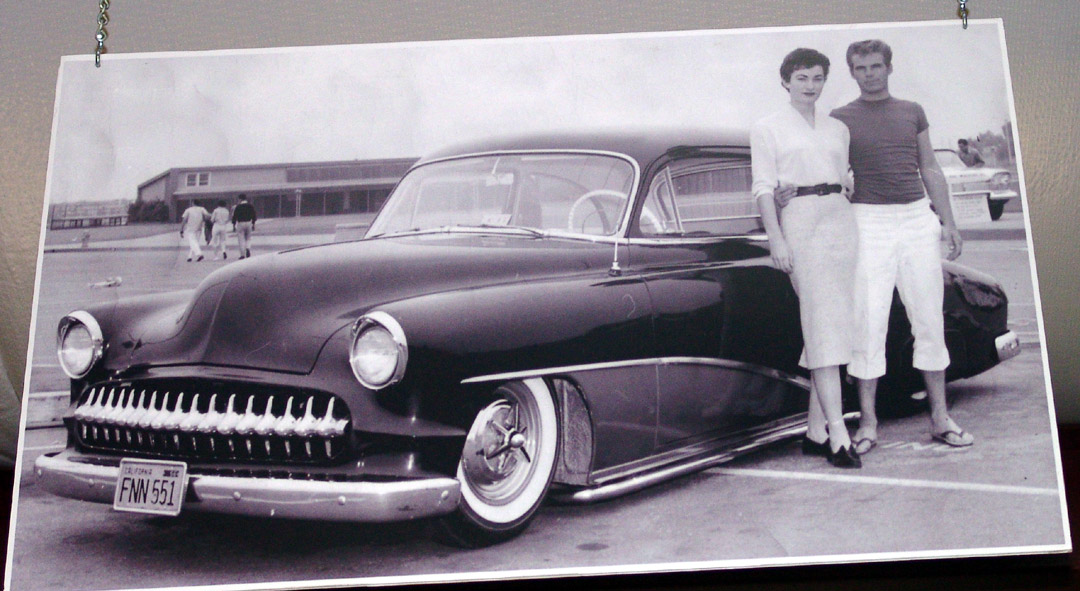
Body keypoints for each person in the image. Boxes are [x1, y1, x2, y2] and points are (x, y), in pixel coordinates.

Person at [828, 39, 972, 452]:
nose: (869, 74)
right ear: (852, 72)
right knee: (868, 322)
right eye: (861, 68)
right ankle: (868, 424)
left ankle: (940, 418)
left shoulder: (912, 111)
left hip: (915, 219)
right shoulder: (840, 118)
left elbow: (930, 166)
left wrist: (949, 222)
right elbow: (832, 170)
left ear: (889, 68)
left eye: (876, 66)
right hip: (867, 222)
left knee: (928, 320)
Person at [752, 48, 861, 468]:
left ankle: (816, 432)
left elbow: (844, 176)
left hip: (840, 222)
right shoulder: (767, 128)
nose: (810, 86)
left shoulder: (838, 128)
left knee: (831, 325)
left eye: (817, 78)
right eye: (801, 78)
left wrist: (847, 186)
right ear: (785, 81)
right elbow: (763, 188)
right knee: (822, 325)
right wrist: (776, 239)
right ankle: (838, 433)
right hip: (800, 223)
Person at [231, 194, 257, 259]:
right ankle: (248, 248)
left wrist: (233, 225)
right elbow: (254, 215)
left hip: (240, 223)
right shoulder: (250, 206)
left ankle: (242, 254)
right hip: (248, 222)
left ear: (240, 199)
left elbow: (235, 216)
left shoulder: (238, 207)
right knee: (248, 238)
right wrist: (253, 223)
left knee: (241, 239)